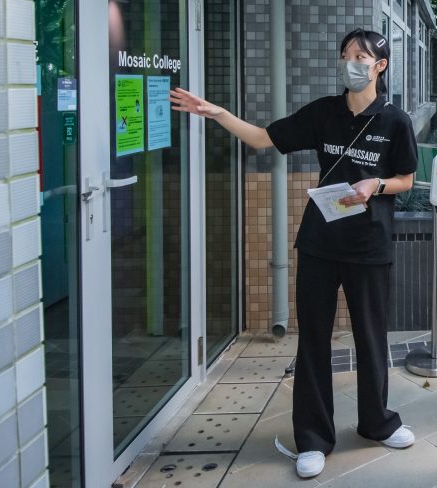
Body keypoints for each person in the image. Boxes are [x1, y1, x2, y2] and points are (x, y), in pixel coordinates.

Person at [169, 29, 418, 480]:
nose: (350, 62)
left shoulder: (395, 121)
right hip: (320, 242)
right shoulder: (324, 112)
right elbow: (264, 138)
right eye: (345, 54)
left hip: (369, 245)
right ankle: (313, 438)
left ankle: (376, 421)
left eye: (360, 56)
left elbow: (406, 179)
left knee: (371, 337)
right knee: (314, 340)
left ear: (380, 65)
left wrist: (375, 185)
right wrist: (217, 112)